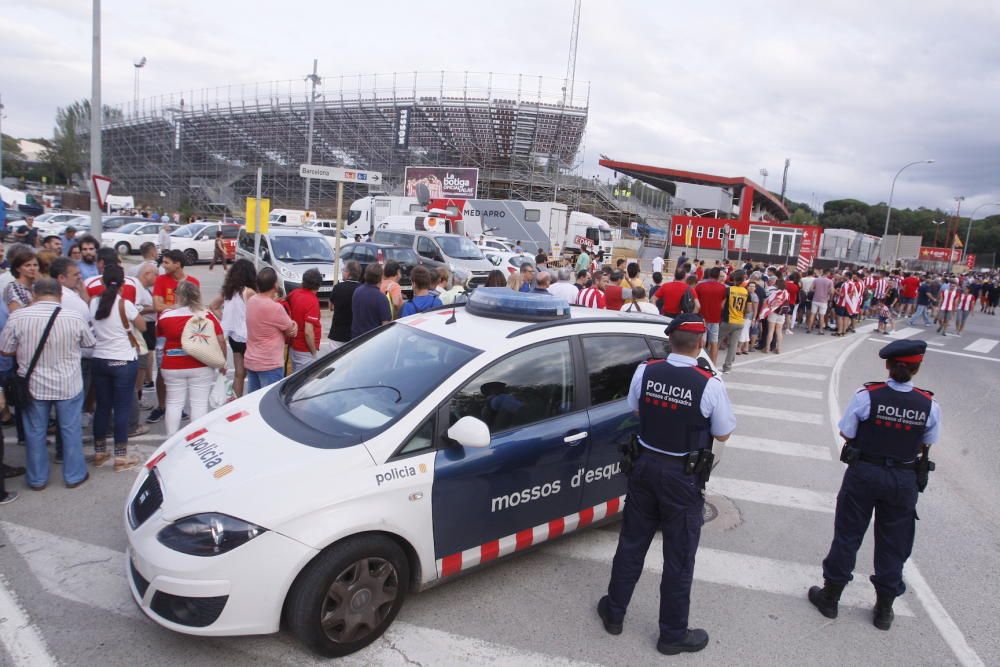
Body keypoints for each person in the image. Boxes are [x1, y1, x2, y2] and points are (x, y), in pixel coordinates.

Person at [599, 314, 735, 655]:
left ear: (669, 340)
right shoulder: (710, 383)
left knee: (631, 543)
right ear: (701, 343)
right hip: (682, 478)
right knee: (679, 556)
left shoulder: (647, 370)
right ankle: (672, 634)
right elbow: (723, 432)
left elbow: (634, 407)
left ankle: (614, 613)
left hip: (644, 466)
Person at [809, 339, 939, 631]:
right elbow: (928, 442)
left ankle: (831, 597)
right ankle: (884, 610)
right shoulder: (929, 404)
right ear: (917, 369)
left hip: (865, 472)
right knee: (894, 543)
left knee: (848, 534)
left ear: (888, 366)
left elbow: (847, 431)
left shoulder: (868, 395)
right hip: (903, 479)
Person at [0, 278, 95, 490]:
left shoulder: (18, 316)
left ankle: (37, 479)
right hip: (68, 382)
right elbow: (89, 343)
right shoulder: (74, 316)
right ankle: (74, 475)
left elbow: (5, 349)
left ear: (34, 294)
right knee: (70, 430)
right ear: (60, 295)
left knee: (35, 432)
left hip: (33, 385)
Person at [89, 264, 146, 472]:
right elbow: (143, 326)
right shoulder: (125, 304)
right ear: (123, 284)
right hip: (122, 360)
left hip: (100, 359)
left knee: (102, 407)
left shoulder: (94, 302)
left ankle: (99, 451)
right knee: (121, 407)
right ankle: (120, 457)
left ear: (102, 282)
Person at [156, 281, 226, 435]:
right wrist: (222, 362)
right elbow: (221, 340)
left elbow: (160, 342)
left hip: (172, 365)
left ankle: (170, 438)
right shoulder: (206, 315)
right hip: (201, 364)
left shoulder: (165, 316)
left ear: (178, 296)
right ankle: (196, 439)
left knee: (173, 403)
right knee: (199, 404)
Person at [148, 250, 200, 423]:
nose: (163, 265)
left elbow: (196, 307)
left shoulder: (193, 282)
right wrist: (180, 308)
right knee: (162, 371)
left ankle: (177, 407)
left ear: (178, 264)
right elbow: (156, 305)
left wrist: (169, 307)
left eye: (167, 262)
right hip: (164, 333)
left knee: (184, 371)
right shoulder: (161, 280)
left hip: (188, 334)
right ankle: (162, 406)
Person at [244, 267, 296, 392]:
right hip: (269, 363)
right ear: (275, 285)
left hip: (252, 360)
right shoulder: (275, 308)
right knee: (268, 402)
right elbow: (291, 329)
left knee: (253, 402)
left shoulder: (251, 301)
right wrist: (294, 324)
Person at [216, 259, 256, 397]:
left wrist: (226, 320)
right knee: (254, 374)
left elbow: (212, 306)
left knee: (239, 373)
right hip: (248, 336)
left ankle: (235, 401)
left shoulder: (228, 290)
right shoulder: (249, 292)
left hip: (233, 337)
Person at [288, 268, 323, 371]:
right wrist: (313, 352)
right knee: (306, 383)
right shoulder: (312, 301)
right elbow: (308, 332)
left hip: (293, 345)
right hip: (305, 350)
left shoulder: (294, 293)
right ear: (318, 285)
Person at [719, 270, 750, 373]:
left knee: (716, 342)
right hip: (740, 321)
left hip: (728, 320)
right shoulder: (746, 292)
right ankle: (727, 367)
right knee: (733, 345)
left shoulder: (729, 290)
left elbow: (722, 306)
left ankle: (710, 364)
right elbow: (749, 310)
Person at [694, 267, 727, 364]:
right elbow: (722, 306)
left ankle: (699, 363)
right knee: (714, 343)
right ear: (718, 276)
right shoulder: (723, 288)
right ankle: (713, 365)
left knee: (701, 342)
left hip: (701, 318)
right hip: (715, 318)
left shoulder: (700, 286)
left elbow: (696, 303)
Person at [352, 263, 392, 338]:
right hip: (372, 341)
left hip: (356, 339)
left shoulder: (357, 291)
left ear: (365, 275)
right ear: (381, 277)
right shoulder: (382, 298)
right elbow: (386, 325)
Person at [328, 260, 360, 350]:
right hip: (355, 335)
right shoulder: (361, 289)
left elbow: (330, 307)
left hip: (337, 334)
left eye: (343, 270)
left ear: (348, 273)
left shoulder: (338, 287)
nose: (342, 272)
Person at [762, 277, 789, 354]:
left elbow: (769, 301)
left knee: (770, 331)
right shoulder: (786, 293)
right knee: (779, 331)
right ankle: (779, 348)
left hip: (773, 312)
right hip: (781, 314)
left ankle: (767, 348)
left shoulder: (775, 292)